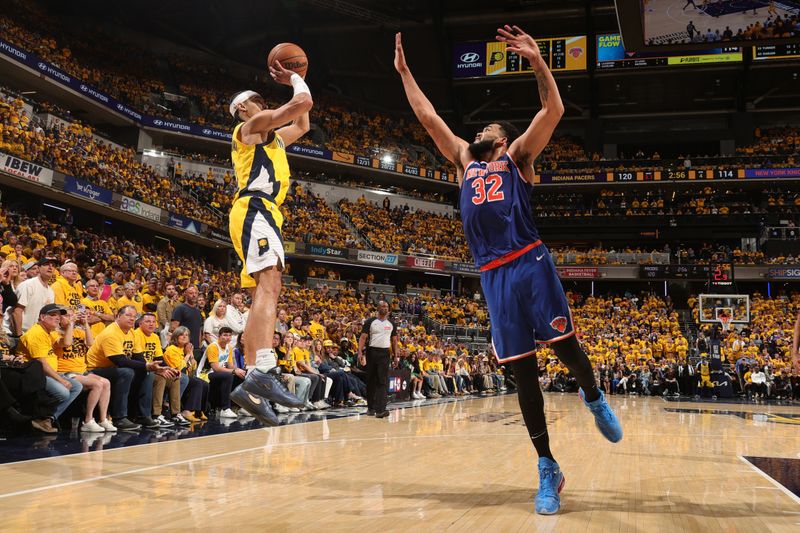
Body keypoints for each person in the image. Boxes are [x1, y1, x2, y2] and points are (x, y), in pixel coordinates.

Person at [395, 26, 622, 515]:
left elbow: (553, 110)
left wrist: (540, 62)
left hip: (530, 261)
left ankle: (593, 394)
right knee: (523, 374)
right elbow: (428, 117)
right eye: (477, 133)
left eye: (486, 132)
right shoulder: (463, 161)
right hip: (493, 275)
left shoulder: (518, 157)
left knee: (565, 347)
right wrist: (406, 73)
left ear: (501, 139)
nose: (478, 135)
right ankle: (547, 467)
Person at [225, 57, 312, 424]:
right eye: (257, 98)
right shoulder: (251, 126)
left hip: (266, 213)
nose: (262, 102)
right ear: (243, 107)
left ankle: (254, 384)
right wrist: (294, 77)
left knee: (269, 289)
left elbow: (302, 123)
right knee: (269, 286)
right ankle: (262, 370)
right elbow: (300, 104)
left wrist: (301, 78)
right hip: (254, 208)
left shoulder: (272, 139)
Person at [88, 305, 178, 431]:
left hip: (115, 368)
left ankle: (143, 415)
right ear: (118, 316)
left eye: (134, 316)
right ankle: (119, 418)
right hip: (95, 369)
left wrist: (156, 368)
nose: (132, 319)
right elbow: (120, 360)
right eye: (128, 315)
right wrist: (147, 366)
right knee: (127, 372)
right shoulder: (111, 333)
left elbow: (138, 356)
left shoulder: (130, 332)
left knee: (147, 374)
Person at [16, 304, 84, 427]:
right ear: (42, 317)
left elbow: (66, 343)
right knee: (63, 392)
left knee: (77, 386)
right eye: (53, 315)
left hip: (49, 373)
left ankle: (49, 418)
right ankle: (40, 417)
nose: (57, 318)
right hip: (34, 374)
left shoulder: (50, 332)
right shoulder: (36, 333)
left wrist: (70, 325)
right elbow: (41, 364)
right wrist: (61, 380)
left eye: (59, 315)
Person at [53, 307, 116, 432]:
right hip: (65, 371)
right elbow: (67, 343)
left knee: (106, 382)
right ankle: (88, 420)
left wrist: (86, 324)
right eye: (67, 316)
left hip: (82, 371)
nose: (71, 317)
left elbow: (90, 343)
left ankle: (103, 419)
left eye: (72, 315)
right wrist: (71, 324)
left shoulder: (78, 331)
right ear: (59, 319)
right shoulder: (54, 333)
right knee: (97, 384)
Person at [358, 300, 397, 418]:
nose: (385, 308)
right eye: (382, 306)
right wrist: (360, 352)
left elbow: (394, 340)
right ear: (378, 308)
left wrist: (396, 355)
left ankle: (381, 410)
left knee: (382, 381)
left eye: (386, 306)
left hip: (385, 353)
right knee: (371, 380)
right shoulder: (370, 321)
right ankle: (371, 408)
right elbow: (363, 337)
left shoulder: (391, 323)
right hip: (372, 352)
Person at [204, 326, 246, 418]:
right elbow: (216, 368)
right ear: (219, 336)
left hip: (220, 373)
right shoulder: (213, 347)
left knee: (242, 375)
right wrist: (234, 371)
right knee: (229, 376)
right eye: (225, 335)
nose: (227, 337)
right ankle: (224, 408)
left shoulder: (229, 347)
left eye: (229, 335)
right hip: (206, 374)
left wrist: (239, 370)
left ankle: (240, 406)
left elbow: (230, 365)